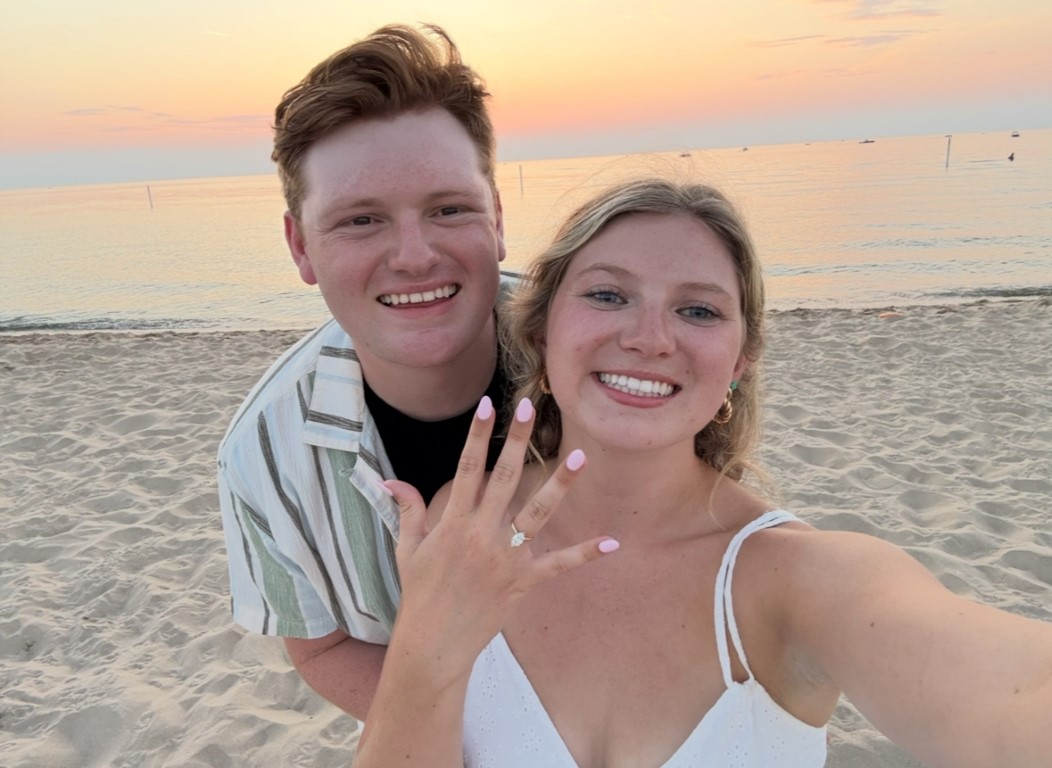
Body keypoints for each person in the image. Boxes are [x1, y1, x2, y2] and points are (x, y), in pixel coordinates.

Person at [356, 178, 1052, 767]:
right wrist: (424, 646)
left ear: (738, 361)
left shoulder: (796, 579)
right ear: (541, 330)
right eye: (608, 295)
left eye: (698, 310)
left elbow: (1006, 697)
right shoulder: (465, 527)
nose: (648, 338)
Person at [217, 23, 512, 722]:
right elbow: (322, 647)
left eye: (449, 209)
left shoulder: (608, 361)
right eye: (360, 221)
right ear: (301, 246)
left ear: (498, 219)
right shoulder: (262, 453)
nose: (414, 256)